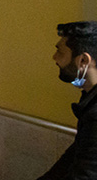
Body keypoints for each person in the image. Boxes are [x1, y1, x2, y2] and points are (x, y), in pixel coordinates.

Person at [39, 21, 97, 179]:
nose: (54, 58)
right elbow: (72, 158)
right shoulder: (90, 97)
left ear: (83, 61)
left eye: (60, 52)